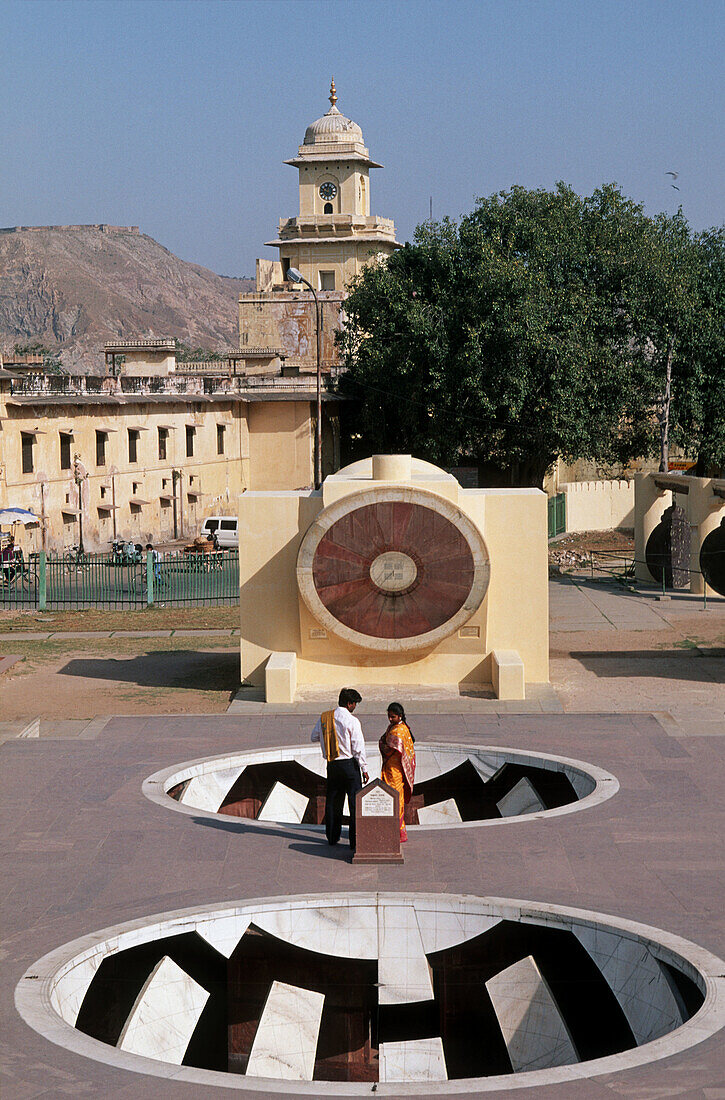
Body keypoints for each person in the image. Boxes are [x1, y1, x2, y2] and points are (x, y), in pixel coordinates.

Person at [311, 688, 369, 851]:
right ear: (349, 703)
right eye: (355, 704)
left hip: (333, 765)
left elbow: (314, 736)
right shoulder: (352, 721)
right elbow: (358, 747)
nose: (355, 707)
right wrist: (364, 767)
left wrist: (328, 740)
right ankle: (354, 840)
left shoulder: (325, 717)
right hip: (349, 765)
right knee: (354, 803)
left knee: (333, 801)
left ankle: (332, 836)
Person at [379, 702, 416, 842]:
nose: (390, 719)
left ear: (399, 716)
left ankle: (398, 831)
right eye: (389, 716)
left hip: (395, 771)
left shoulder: (399, 730)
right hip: (390, 768)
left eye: (392, 717)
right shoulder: (394, 727)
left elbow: (387, 748)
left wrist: (382, 744)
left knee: (395, 799)